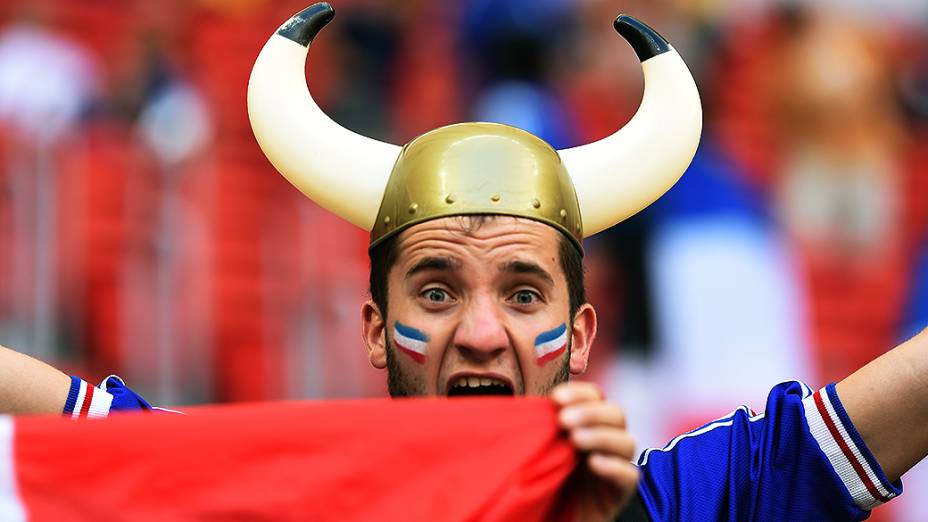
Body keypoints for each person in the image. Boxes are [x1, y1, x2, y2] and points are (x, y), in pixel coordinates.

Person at [1, 3, 926, 520]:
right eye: (437, 289)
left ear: (583, 331)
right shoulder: (299, 503)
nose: (482, 333)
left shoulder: (683, 504)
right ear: (372, 327)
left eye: (525, 293)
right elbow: (103, 444)